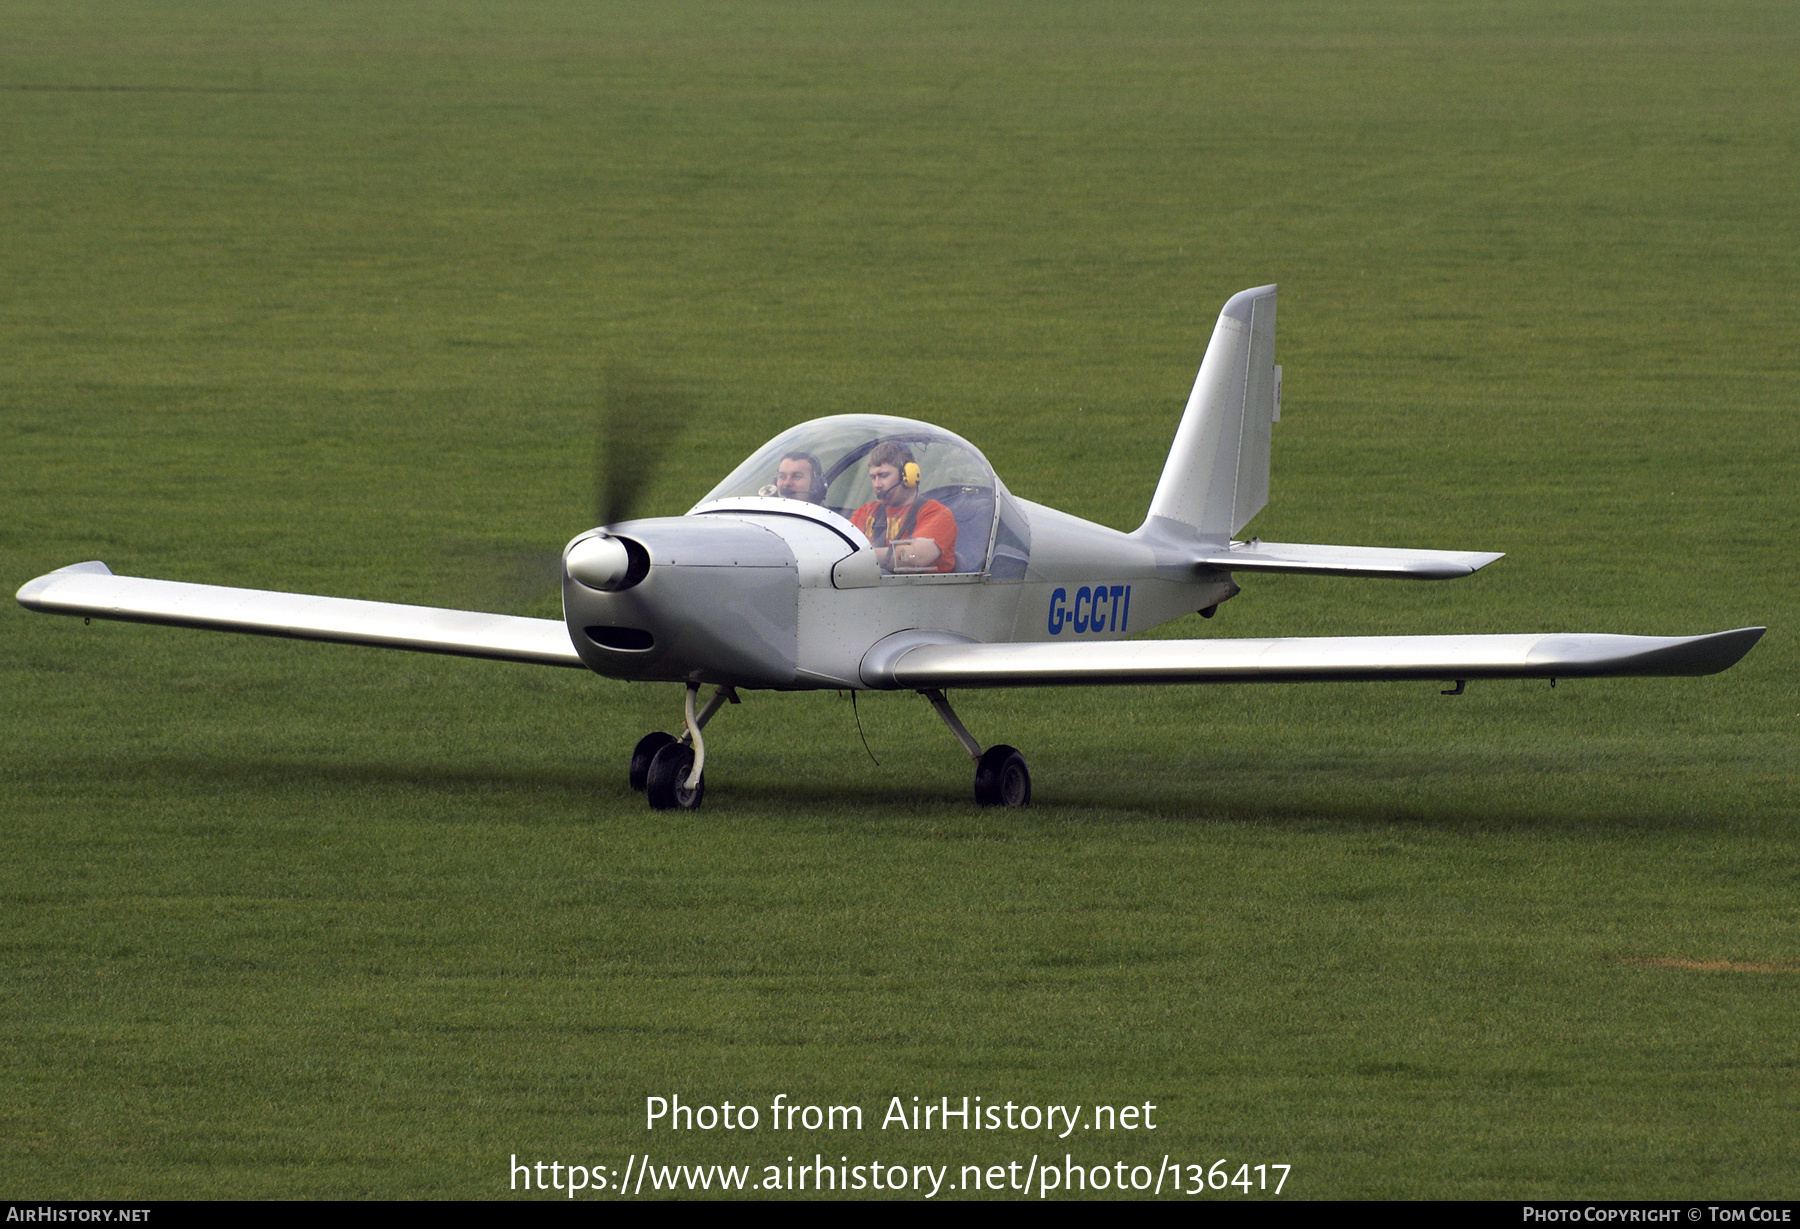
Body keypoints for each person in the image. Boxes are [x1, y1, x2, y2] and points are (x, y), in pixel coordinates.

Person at [850, 441, 957, 573]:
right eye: (873, 477)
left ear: (908, 475)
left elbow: (917, 557)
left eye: (884, 476)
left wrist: (858, 556)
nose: (877, 485)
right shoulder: (866, 512)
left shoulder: (936, 514)